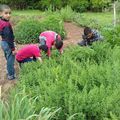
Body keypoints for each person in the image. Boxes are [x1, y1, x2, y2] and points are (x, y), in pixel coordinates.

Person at [0, 4, 16, 80]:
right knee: (10, 59)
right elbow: (9, 38)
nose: (8, 15)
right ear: (1, 13)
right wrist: (13, 49)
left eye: (9, 13)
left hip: (3, 42)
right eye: (6, 13)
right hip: (7, 43)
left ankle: (8, 71)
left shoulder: (1, 21)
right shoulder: (6, 24)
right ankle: (11, 75)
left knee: (7, 57)